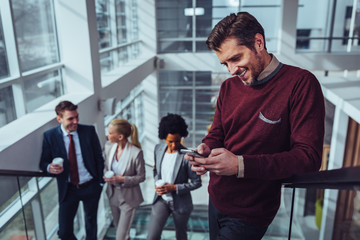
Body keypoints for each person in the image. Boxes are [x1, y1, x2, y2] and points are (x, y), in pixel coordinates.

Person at [184, 12, 325, 240]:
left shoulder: (301, 84)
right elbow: (218, 133)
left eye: (236, 58)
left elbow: (308, 158)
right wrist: (206, 150)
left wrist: (240, 165)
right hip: (216, 197)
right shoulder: (228, 88)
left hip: (250, 213)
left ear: (258, 43)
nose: (231, 70)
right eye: (225, 63)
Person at [39, 100, 104, 240]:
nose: (75, 121)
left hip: (91, 186)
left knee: (91, 225)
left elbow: (99, 157)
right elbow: (43, 163)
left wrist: (99, 183)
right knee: (64, 232)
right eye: (70, 118)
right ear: (59, 119)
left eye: (77, 117)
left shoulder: (88, 131)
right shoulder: (50, 136)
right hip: (68, 190)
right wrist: (49, 167)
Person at [147, 113, 202, 240]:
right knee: (152, 236)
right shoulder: (158, 149)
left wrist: (173, 187)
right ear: (163, 137)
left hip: (181, 203)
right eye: (170, 141)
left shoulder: (187, 156)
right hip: (161, 200)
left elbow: (196, 182)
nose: (174, 145)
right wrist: (157, 183)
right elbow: (156, 170)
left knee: (181, 236)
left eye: (177, 141)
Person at [103, 119, 145, 240]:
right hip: (113, 195)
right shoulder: (108, 147)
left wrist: (122, 179)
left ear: (120, 136)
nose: (107, 134)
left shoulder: (136, 153)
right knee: (121, 232)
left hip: (128, 199)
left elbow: (141, 177)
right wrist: (105, 175)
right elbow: (106, 167)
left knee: (120, 237)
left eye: (110, 133)